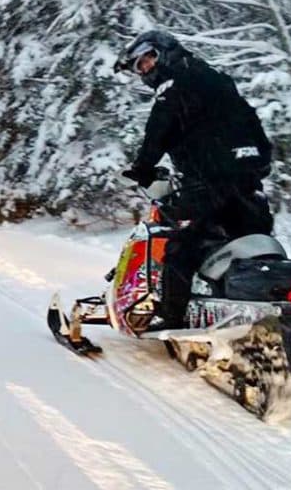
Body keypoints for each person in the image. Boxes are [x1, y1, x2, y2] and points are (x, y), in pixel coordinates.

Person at [113, 30, 274, 331]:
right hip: (249, 187)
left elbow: (158, 131)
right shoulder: (217, 81)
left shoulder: (174, 86)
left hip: (209, 185)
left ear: (165, 52)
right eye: (139, 67)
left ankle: (170, 317)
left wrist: (142, 168)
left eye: (148, 60)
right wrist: (256, 164)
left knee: (180, 250)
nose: (145, 69)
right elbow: (252, 123)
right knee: (244, 247)